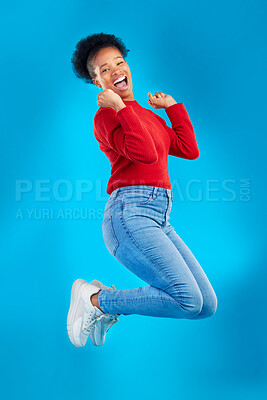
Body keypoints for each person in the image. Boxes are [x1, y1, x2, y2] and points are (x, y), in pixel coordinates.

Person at [67, 32, 218, 348]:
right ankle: (97, 301)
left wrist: (173, 108)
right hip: (129, 214)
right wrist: (121, 107)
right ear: (97, 83)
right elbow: (145, 153)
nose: (115, 71)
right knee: (187, 299)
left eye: (119, 63)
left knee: (205, 304)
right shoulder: (106, 116)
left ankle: (101, 302)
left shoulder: (146, 115)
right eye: (104, 69)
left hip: (159, 216)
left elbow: (189, 149)